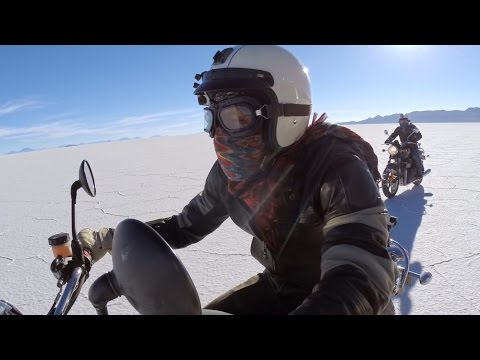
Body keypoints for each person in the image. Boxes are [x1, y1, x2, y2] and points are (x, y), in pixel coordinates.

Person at [78, 45, 397, 315]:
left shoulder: (336, 167)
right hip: (278, 284)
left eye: (237, 117)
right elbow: (183, 226)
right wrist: (110, 237)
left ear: (284, 114)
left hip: (349, 302)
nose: (218, 132)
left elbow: (361, 269)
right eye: (212, 116)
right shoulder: (228, 178)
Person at [385, 114, 425, 179]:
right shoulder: (399, 129)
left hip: (412, 145)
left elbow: (419, 136)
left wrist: (414, 139)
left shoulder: (413, 127)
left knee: (415, 156)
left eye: (404, 121)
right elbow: (394, 135)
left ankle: (420, 171)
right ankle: (394, 172)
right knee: (395, 154)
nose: (403, 123)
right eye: (401, 121)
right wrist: (388, 140)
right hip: (403, 145)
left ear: (407, 121)